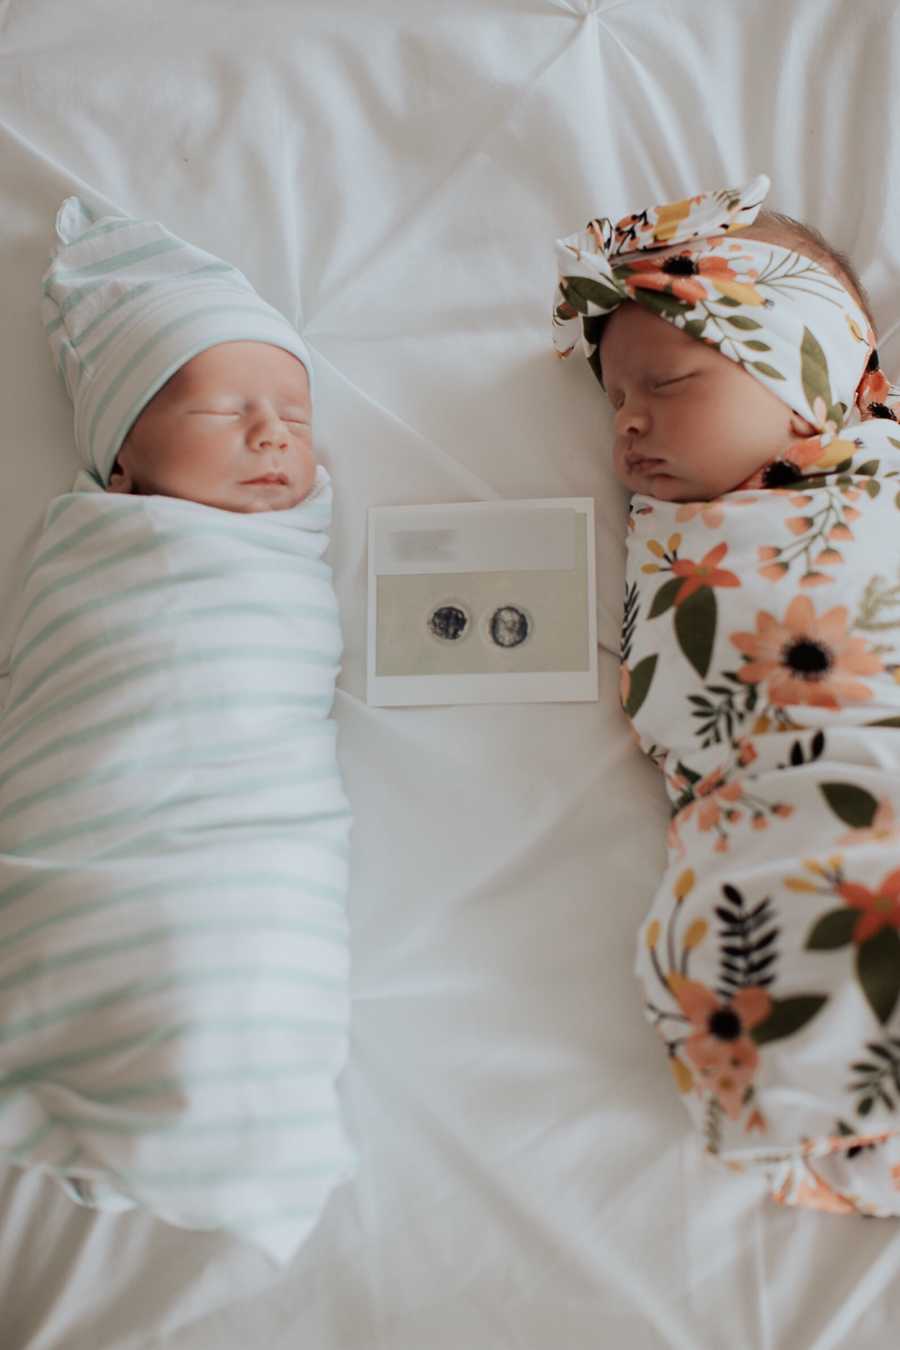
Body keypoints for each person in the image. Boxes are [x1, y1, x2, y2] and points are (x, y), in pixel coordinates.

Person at [0, 197, 354, 1264]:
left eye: (295, 416)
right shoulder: (100, 555)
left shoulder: (286, 559)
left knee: (254, 956)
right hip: (111, 832)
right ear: (124, 464)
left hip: (259, 838)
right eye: (223, 410)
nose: (271, 436)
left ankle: (230, 1114)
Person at [553, 174, 900, 1216]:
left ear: (806, 372)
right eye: (615, 400)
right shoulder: (675, 531)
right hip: (756, 792)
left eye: (668, 381)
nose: (628, 425)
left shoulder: (874, 477)